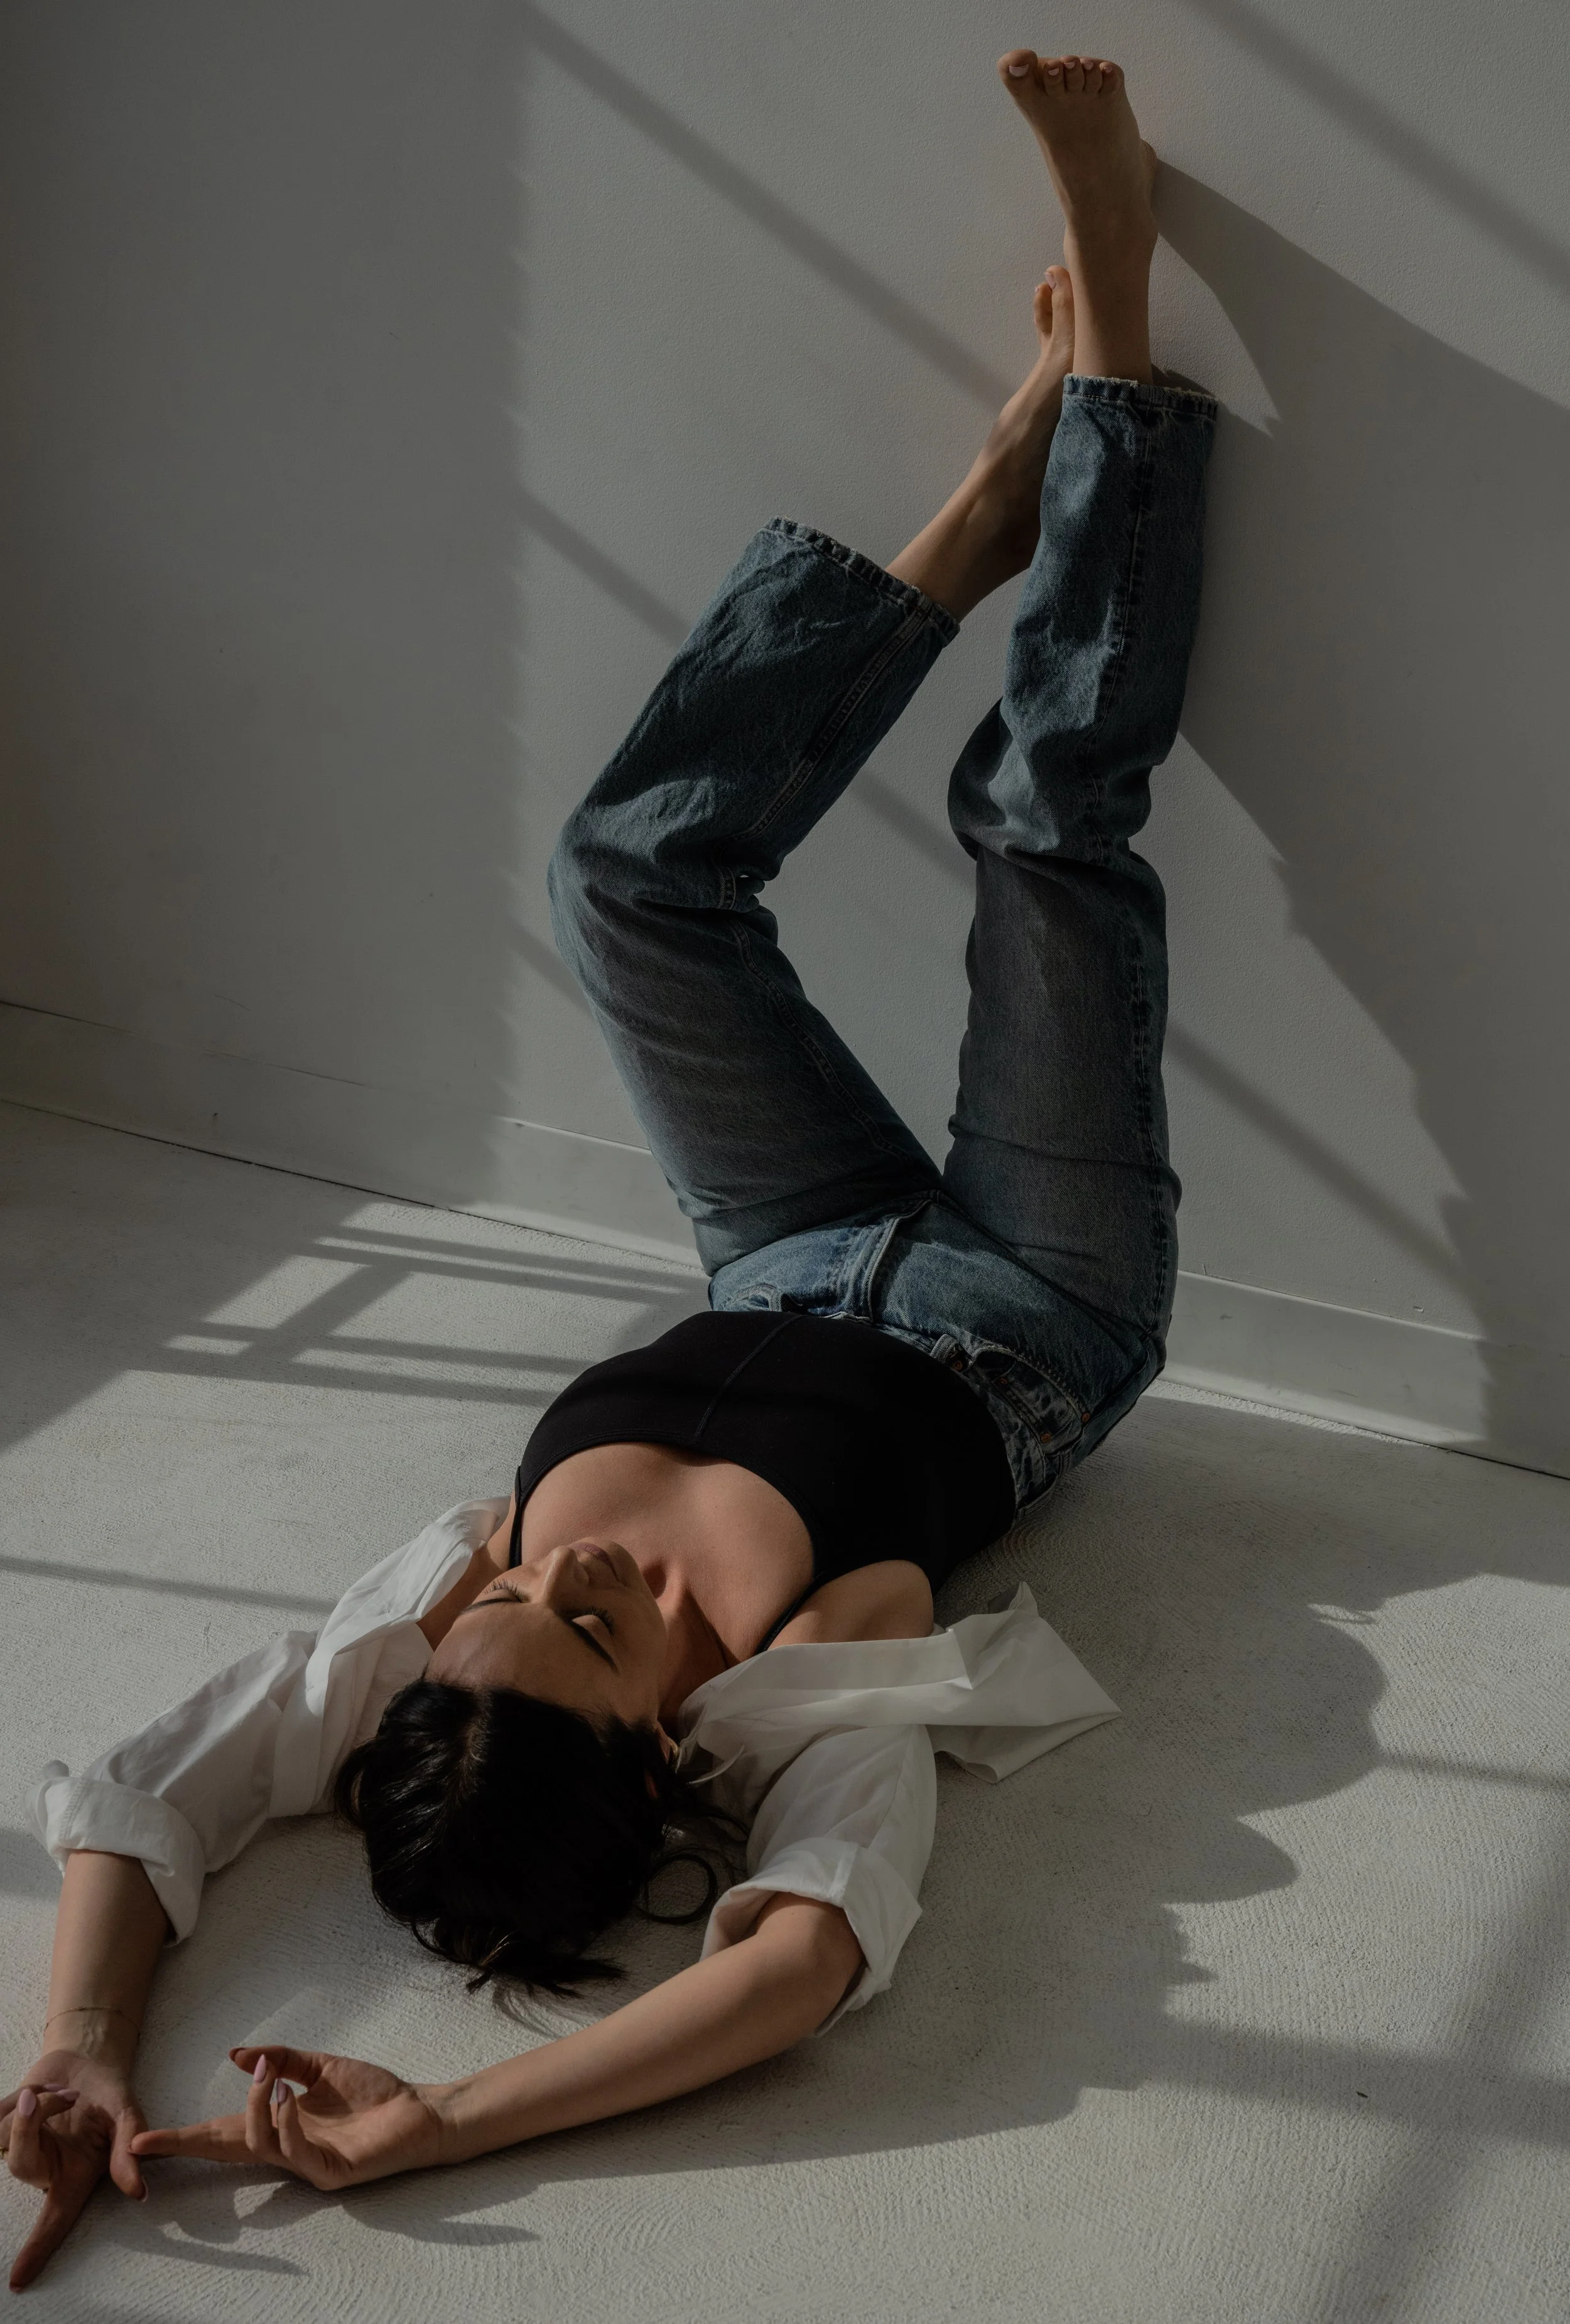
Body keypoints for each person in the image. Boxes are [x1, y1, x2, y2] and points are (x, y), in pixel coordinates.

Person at [2, 51, 1216, 2284]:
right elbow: (794, 1967)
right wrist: (433, 2119)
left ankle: (976, 510)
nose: (582, 1591)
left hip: (786, 1243)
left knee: (627, 873)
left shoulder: (427, 1660)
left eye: (532, 1602)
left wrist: (79, 2041)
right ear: (667, 1749)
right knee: (1042, 836)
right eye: (607, 1634)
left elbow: (158, 1793)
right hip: (1042, 1300)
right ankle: (1121, 367)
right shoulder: (791, 1729)